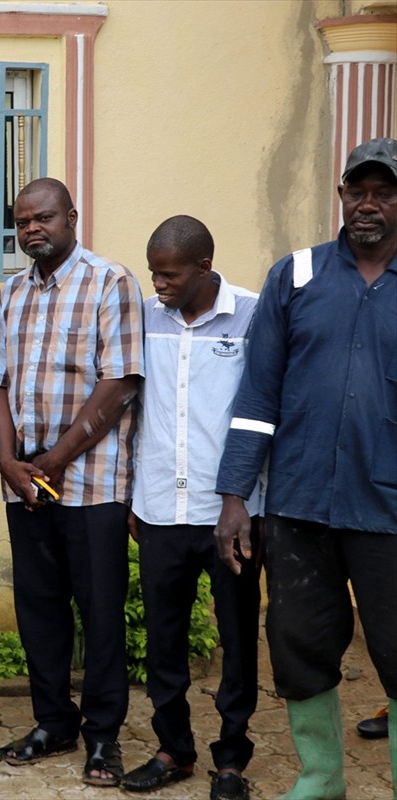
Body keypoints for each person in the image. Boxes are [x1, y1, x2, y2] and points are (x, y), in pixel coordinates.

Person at [214, 136, 397, 800]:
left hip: (388, 510)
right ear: (341, 195)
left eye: (383, 193)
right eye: (357, 191)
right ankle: (321, 779)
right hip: (299, 505)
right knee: (297, 642)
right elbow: (258, 393)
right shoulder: (295, 275)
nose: (367, 204)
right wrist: (234, 496)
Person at [0, 177, 143, 787]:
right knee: (39, 609)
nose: (32, 230)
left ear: (71, 217)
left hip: (91, 484)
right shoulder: (14, 291)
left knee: (100, 612)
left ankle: (102, 737)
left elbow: (120, 384)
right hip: (27, 485)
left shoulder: (110, 282)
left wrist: (53, 460)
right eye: (22, 222)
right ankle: (52, 723)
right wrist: (7, 461)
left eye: (43, 218)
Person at [122, 216, 261, 800]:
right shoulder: (144, 318)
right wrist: (133, 495)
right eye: (154, 273)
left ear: (205, 267)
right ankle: (173, 749)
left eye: (170, 274)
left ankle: (231, 760)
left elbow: (263, 410)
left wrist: (242, 500)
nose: (159, 284)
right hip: (159, 507)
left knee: (237, 638)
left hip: (231, 514)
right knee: (164, 640)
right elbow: (131, 407)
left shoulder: (252, 315)